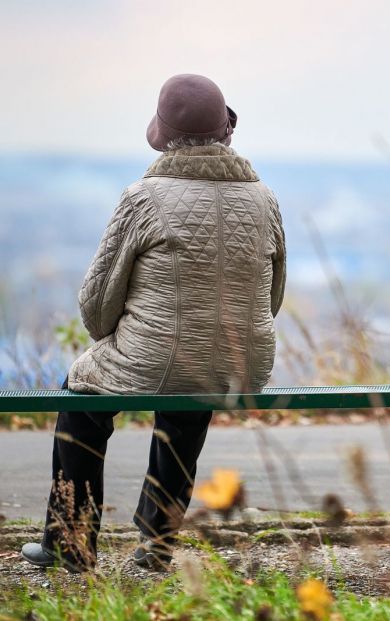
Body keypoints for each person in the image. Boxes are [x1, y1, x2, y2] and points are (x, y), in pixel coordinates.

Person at [21, 74, 286, 572]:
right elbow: (272, 299)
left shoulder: (143, 197)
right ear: (225, 131)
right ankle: (157, 544)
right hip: (240, 362)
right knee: (194, 388)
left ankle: (71, 544)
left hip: (157, 358)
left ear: (164, 136)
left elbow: (98, 306)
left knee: (80, 400)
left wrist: (124, 339)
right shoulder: (264, 198)